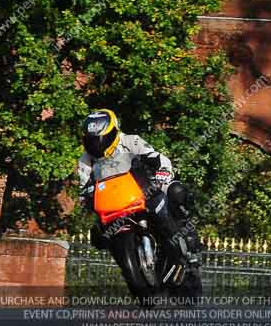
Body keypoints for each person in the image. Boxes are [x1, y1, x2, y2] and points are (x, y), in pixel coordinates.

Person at [78, 109, 200, 269]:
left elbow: (157, 158)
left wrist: (162, 171)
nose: (97, 144)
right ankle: (127, 260)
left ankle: (187, 232)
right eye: (92, 140)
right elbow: (85, 187)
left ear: (113, 131)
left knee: (176, 190)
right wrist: (85, 197)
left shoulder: (130, 141)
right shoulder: (85, 159)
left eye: (101, 138)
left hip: (145, 187)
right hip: (114, 203)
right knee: (97, 235)